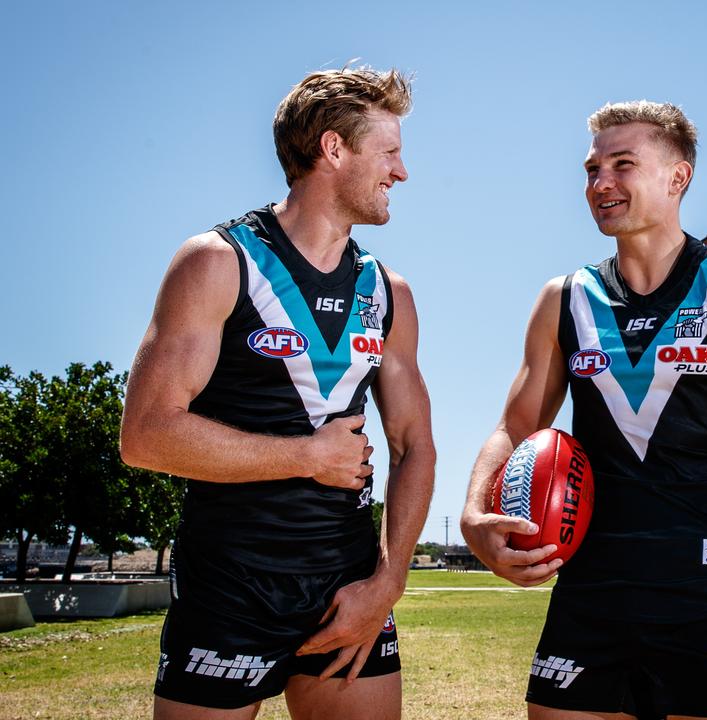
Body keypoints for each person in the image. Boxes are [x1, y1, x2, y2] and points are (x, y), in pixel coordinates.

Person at [460, 101, 707, 720]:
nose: (600, 183)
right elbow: (516, 427)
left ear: (677, 177)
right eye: (592, 169)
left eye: (622, 165)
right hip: (593, 588)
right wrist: (476, 510)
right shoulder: (565, 299)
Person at [120, 67, 435, 720]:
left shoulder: (389, 292)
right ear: (334, 149)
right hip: (228, 586)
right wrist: (306, 456)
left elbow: (414, 445)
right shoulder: (216, 261)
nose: (401, 173)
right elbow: (146, 434)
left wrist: (388, 583)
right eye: (390, 152)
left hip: (346, 586)